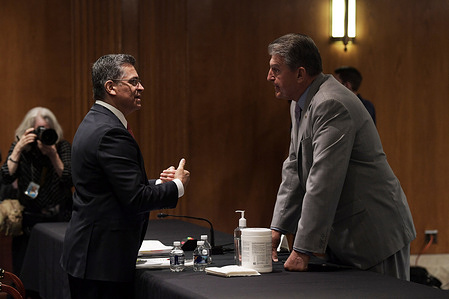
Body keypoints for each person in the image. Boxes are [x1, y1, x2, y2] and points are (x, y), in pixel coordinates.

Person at [267, 33, 416, 280]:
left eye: (276, 69)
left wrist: (302, 249)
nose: (269, 77)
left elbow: (323, 181)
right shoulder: (299, 103)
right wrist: (277, 229)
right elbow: (294, 167)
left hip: (375, 237)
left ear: (301, 74)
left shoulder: (330, 103)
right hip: (345, 238)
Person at [60, 54, 190, 299]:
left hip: (92, 257)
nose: (141, 87)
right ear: (110, 87)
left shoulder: (96, 121)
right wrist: (177, 186)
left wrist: (158, 183)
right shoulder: (110, 132)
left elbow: (111, 188)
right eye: (133, 82)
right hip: (102, 263)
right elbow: (135, 199)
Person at [0, 107, 73, 275]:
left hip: (59, 220)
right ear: (28, 130)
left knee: (55, 272)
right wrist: (18, 148)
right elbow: (5, 177)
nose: (43, 134)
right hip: (29, 221)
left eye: (47, 130)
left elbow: (70, 179)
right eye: (38, 130)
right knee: (26, 272)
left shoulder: (61, 147)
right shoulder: (22, 149)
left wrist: (53, 155)